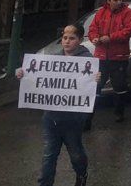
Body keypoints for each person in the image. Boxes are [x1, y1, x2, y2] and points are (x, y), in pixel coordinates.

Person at [16, 23, 100, 186]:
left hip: (73, 119)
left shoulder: (87, 61)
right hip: (51, 117)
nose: (67, 41)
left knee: (75, 153)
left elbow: (91, 88)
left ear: (80, 40)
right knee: (49, 155)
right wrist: (21, 73)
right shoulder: (53, 60)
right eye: (64, 37)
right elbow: (36, 78)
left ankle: (81, 174)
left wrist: (96, 79)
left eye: (72, 38)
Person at [88, 0, 131, 123]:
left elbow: (127, 31)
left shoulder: (128, 13)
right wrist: (94, 38)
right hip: (101, 57)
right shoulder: (101, 13)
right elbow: (92, 28)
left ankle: (119, 113)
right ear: (109, 1)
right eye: (115, 0)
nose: (119, 2)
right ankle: (88, 116)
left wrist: (110, 38)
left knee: (120, 87)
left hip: (119, 57)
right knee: (96, 86)